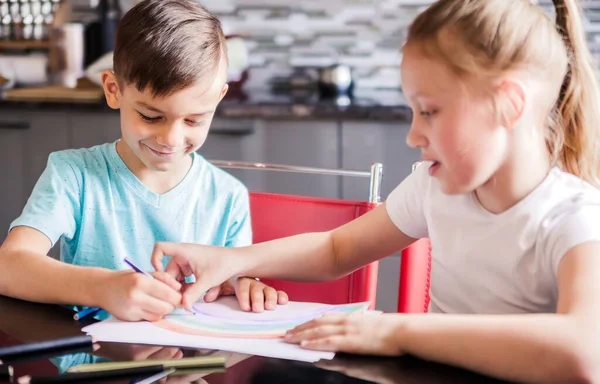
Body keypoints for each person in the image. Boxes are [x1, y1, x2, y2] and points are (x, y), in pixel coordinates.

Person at [150, 0, 600, 382]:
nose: (413, 134)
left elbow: (584, 351)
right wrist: (233, 260)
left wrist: (394, 333)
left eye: (429, 111)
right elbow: (335, 248)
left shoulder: (573, 218)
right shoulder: (433, 188)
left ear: (509, 104)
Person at [0, 0, 287, 322]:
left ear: (218, 99)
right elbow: (8, 266)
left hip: (184, 365)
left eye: (194, 121)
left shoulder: (228, 196)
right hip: (92, 362)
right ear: (113, 90)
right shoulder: (73, 176)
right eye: (151, 116)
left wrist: (247, 283)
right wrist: (103, 287)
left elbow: (233, 277)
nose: (171, 139)